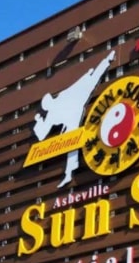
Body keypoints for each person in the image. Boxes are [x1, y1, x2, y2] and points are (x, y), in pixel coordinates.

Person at [33, 50, 116, 187]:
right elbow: (41, 135)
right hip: (73, 120)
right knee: (72, 144)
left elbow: (77, 85)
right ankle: (69, 173)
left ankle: (107, 59)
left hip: (77, 108)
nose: (49, 105)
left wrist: (88, 75)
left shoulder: (62, 99)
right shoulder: (52, 113)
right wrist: (39, 121)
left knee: (94, 77)